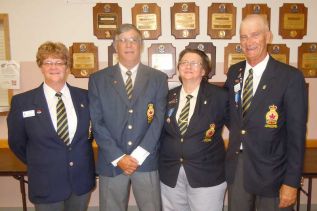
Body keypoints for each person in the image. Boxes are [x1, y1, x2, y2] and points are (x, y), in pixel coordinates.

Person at [224, 14, 308, 211]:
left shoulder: (290, 77)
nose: (248, 42)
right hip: (238, 167)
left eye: (255, 35)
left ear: (268, 37)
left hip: (274, 171)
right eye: (243, 37)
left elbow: (296, 135)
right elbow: (230, 113)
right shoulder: (234, 72)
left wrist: (291, 182)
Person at [7, 41, 96, 211]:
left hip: (80, 181)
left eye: (59, 62)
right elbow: (16, 142)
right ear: (40, 66)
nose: (53, 67)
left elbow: (92, 133)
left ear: (67, 67)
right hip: (45, 182)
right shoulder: (23, 102)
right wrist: (40, 162)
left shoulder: (86, 98)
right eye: (48, 62)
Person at [88, 23, 168, 211]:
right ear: (115, 46)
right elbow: (97, 122)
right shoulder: (98, 79)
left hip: (146, 160)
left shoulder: (158, 78)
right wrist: (119, 157)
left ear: (141, 45)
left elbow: (158, 120)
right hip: (112, 160)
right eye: (123, 40)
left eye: (133, 40)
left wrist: (138, 156)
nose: (129, 44)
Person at [159, 48, 228, 211]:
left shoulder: (220, 96)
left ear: (204, 70)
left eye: (194, 63)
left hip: (207, 174)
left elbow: (239, 127)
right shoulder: (168, 96)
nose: (188, 66)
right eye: (184, 62)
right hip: (171, 172)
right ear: (178, 68)